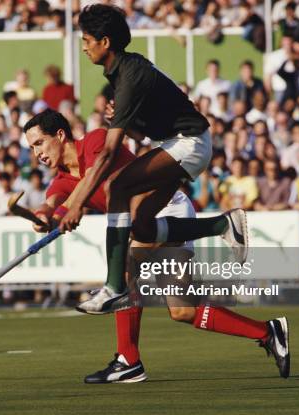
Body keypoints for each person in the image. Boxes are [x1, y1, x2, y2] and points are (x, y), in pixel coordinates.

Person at [24, 109, 291, 382]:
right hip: (148, 220)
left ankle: (128, 361)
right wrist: (44, 216)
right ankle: (268, 332)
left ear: (59, 135)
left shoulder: (95, 140)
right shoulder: (60, 180)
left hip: (165, 207)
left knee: (125, 271)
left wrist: (69, 207)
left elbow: (93, 178)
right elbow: (53, 202)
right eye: (32, 148)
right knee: (183, 310)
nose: (37, 153)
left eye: (39, 143)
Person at [58, 4, 248, 316]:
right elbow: (144, 130)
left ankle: (114, 286)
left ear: (105, 42)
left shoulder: (129, 75)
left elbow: (107, 153)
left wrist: (77, 203)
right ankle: (221, 225)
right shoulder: (122, 73)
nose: (84, 46)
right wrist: (128, 123)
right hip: (178, 143)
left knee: (117, 186)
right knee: (142, 227)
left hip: (189, 144)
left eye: (87, 39)